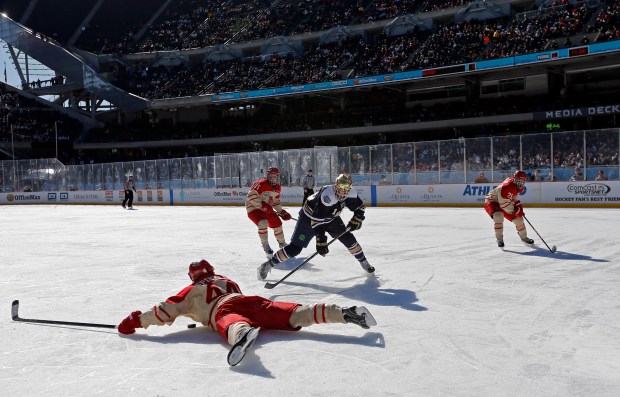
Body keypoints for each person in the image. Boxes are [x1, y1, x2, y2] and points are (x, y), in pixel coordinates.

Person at [117, 259, 377, 366]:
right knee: (295, 313)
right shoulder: (224, 279)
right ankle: (343, 313)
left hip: (226, 309)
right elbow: (235, 297)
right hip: (248, 299)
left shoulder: (190, 290)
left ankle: (242, 334)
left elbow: (165, 311)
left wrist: (136, 320)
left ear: (193, 277)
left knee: (229, 321)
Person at [258, 173, 374, 280]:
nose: (342, 193)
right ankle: (269, 264)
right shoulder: (328, 196)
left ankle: (364, 263)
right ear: (336, 186)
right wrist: (320, 239)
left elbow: (360, 208)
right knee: (295, 249)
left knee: (348, 238)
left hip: (331, 218)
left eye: (345, 190)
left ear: (349, 188)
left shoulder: (352, 193)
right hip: (309, 218)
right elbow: (317, 220)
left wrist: (357, 218)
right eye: (340, 189)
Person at [245, 167, 291, 256]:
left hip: (267, 209)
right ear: (267, 175)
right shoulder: (261, 184)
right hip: (253, 208)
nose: (273, 177)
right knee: (263, 223)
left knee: (277, 223)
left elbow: (276, 202)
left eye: (275, 175)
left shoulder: (277, 187)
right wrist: (262, 205)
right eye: (271, 175)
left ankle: (282, 244)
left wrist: (282, 212)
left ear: (277, 177)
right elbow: (251, 196)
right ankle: (265, 245)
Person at [484, 170, 534, 248]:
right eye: (518, 180)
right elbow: (504, 206)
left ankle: (524, 237)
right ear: (514, 179)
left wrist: (519, 207)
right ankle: (499, 239)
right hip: (492, 200)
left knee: (519, 219)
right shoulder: (507, 187)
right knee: (498, 216)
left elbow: (514, 197)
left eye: (523, 181)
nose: (520, 183)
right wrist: (517, 211)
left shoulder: (516, 186)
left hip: (504, 201)